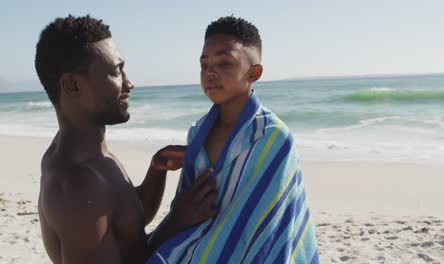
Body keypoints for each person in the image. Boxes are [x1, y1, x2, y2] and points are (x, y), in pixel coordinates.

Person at [35, 15, 218, 264]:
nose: (129, 83)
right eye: (115, 72)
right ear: (72, 85)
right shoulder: (76, 184)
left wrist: (156, 171)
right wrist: (177, 221)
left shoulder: (91, 153)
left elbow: (125, 223)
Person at [147, 16, 319, 263]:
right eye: (204, 65)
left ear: (254, 72)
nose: (211, 72)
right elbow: (187, 210)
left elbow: (274, 224)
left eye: (224, 62)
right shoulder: (197, 134)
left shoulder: (272, 137)